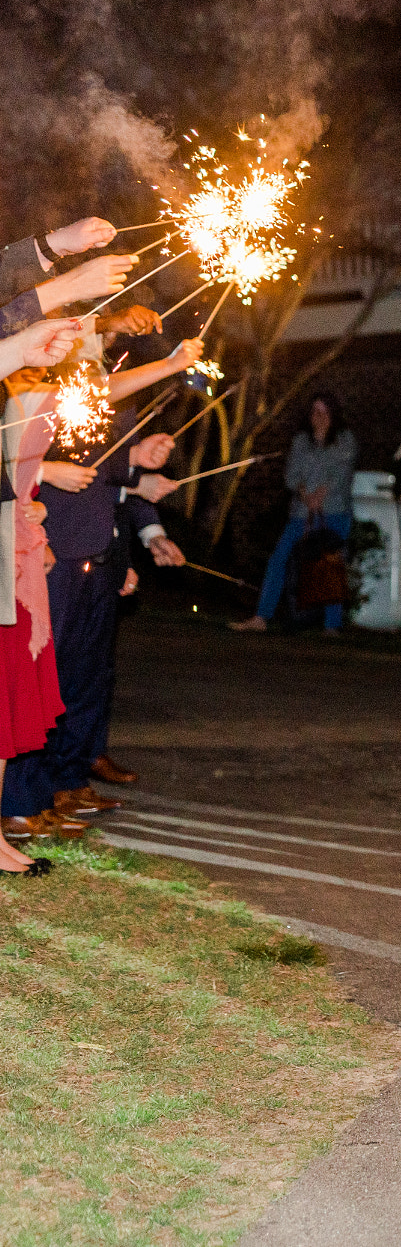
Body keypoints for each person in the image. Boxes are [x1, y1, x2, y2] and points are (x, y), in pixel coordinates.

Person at [8, 324, 198, 825]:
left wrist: (138, 477)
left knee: (82, 676)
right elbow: (29, 461)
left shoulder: (91, 400)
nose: (94, 355)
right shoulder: (35, 392)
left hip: (94, 550)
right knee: (39, 677)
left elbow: (108, 475)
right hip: (48, 552)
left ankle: (62, 783)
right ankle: (24, 797)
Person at [0, 317, 89, 866]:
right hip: (5, 558)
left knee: (7, 699)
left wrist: (28, 505)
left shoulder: (26, 404)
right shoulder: (17, 405)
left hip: (13, 553)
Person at [232, 391, 359, 636]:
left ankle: (332, 625)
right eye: (314, 412)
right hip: (301, 513)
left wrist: (321, 494)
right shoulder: (302, 441)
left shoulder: (345, 440)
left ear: (333, 415)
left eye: (324, 412)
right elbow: (291, 474)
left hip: (334, 512)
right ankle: (261, 617)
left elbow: (341, 472)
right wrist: (305, 495)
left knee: (329, 563)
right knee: (278, 559)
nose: (318, 417)